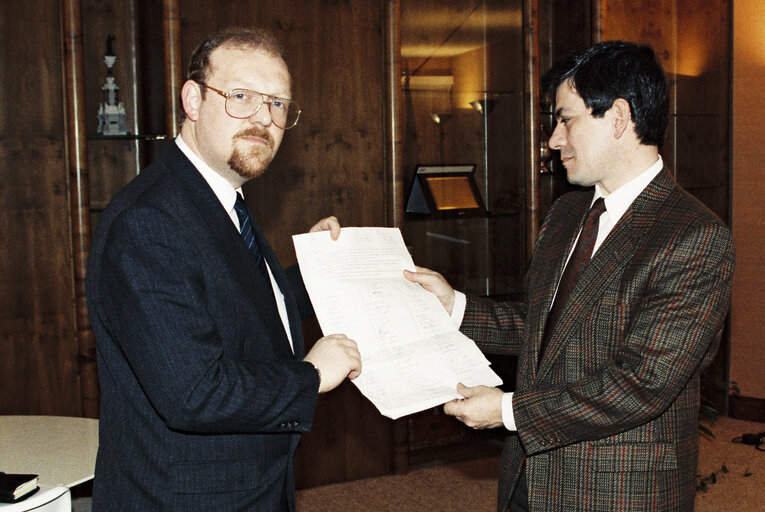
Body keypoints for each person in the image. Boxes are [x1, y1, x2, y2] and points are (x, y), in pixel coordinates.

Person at [405, 40, 734, 512]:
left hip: (618, 492)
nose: (554, 139)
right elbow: (547, 330)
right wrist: (454, 305)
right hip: (528, 475)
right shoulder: (566, 214)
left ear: (618, 117)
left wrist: (506, 410)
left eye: (566, 119)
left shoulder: (694, 236)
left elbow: (642, 383)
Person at [86, 27, 361, 511]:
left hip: (244, 483)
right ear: (192, 99)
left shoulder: (215, 195)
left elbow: (236, 310)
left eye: (278, 104)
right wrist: (313, 375)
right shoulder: (148, 220)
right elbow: (194, 392)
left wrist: (309, 273)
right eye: (241, 96)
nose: (263, 118)